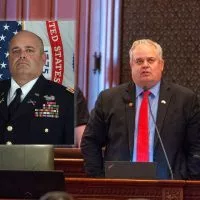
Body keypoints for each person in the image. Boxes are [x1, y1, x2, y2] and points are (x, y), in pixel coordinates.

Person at [81, 39, 200, 179]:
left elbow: (196, 145)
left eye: (150, 60)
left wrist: (191, 182)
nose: (145, 65)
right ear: (131, 65)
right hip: (119, 183)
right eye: (139, 61)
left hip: (169, 184)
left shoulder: (185, 99)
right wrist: (99, 179)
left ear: (161, 65)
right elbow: (90, 142)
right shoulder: (108, 99)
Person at [0, 30, 74, 144]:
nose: (22, 55)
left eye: (29, 50)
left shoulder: (66, 100)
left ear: (43, 58)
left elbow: (71, 155)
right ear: (8, 58)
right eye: (16, 51)